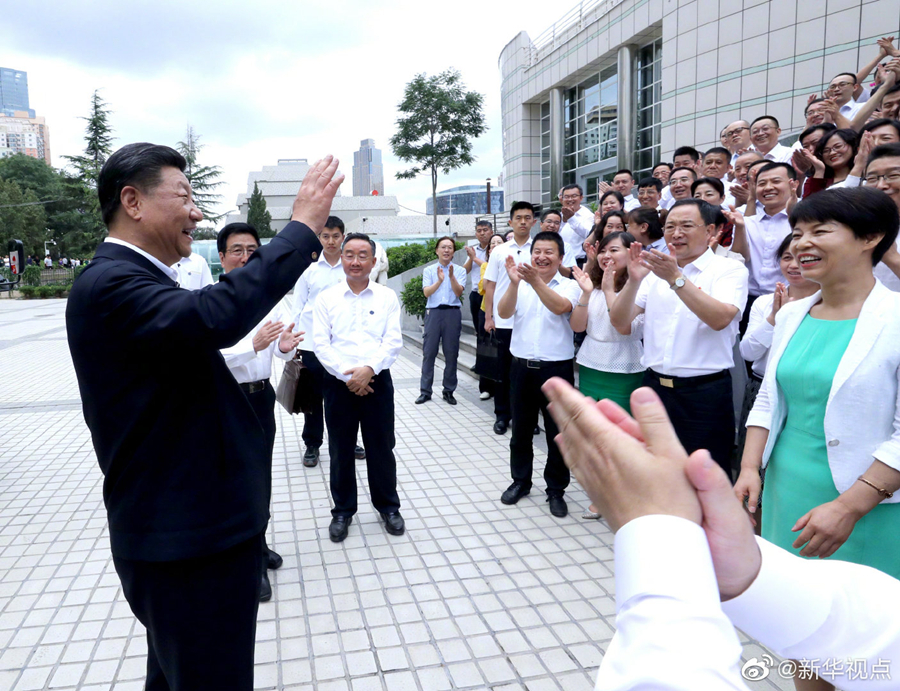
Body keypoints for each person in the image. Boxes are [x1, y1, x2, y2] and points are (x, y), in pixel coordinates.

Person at [66, 143, 339, 690]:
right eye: (183, 197)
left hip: (193, 533)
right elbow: (214, 315)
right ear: (132, 202)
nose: (196, 212)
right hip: (186, 543)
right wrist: (302, 229)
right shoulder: (109, 285)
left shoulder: (138, 279)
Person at [541, 377, 900, 691]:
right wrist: (748, 572)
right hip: (789, 482)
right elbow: (884, 639)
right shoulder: (794, 321)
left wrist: (659, 544)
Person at [736, 187, 900, 691]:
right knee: (805, 631)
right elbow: (769, 398)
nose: (802, 243)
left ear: (871, 238)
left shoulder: (896, 318)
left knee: (865, 638)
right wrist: (749, 468)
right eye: (798, 232)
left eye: (820, 231)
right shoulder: (791, 313)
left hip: (869, 506)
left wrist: (849, 507)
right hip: (790, 493)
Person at [609, 198, 749, 476]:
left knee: (705, 477)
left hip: (704, 393)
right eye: (670, 226)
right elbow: (621, 323)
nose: (676, 233)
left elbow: (720, 318)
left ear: (710, 231)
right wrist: (634, 280)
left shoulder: (729, 269)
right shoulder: (653, 274)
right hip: (655, 388)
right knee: (654, 472)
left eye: (686, 225)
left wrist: (676, 278)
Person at [217, 221, 301, 603]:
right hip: (226, 399)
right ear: (222, 257)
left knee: (260, 475)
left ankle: (259, 544)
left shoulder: (270, 299)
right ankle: (248, 562)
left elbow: (280, 352)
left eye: (253, 250)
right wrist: (251, 345)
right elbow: (208, 356)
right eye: (237, 250)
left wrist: (283, 346)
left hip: (261, 396)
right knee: (236, 480)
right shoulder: (210, 300)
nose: (246, 257)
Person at [313, 232, 404, 543]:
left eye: (362, 255)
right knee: (340, 450)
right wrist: (349, 377)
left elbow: (393, 341)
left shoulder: (387, 297)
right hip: (339, 384)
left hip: (378, 382)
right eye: (349, 254)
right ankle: (342, 511)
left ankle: (388, 507)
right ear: (341, 258)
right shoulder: (326, 298)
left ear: (373, 261)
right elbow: (321, 344)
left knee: (381, 447)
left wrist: (369, 370)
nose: (355, 261)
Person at [496, 231, 581, 518]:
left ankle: (556, 489)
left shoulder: (570, 286)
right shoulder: (520, 284)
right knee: (520, 430)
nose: (542, 257)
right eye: (537, 252)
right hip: (521, 367)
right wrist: (513, 283)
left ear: (560, 257)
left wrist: (535, 282)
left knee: (558, 434)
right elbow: (503, 313)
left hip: (556, 370)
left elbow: (560, 308)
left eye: (549, 252)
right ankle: (520, 481)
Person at [570, 231, 644, 520]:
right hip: (591, 363)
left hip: (624, 367)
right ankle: (602, 492)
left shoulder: (639, 288)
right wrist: (586, 294)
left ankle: (622, 494)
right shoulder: (593, 286)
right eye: (603, 250)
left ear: (631, 254)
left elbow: (623, 327)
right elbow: (578, 327)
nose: (606, 256)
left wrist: (611, 289)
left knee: (621, 435)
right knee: (594, 432)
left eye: (614, 250)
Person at [737, 235, 818, 463]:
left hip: (803, 392)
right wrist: (774, 317)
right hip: (759, 387)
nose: (793, 265)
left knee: (792, 460)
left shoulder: (828, 305)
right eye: (787, 257)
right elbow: (748, 353)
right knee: (753, 460)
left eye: (802, 258)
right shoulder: (764, 302)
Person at [292, 215, 347, 468]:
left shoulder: (350, 267)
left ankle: (346, 441)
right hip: (312, 344)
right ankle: (312, 444)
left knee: (343, 396)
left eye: (335, 236)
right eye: (326, 236)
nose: (331, 241)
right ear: (319, 238)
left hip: (342, 345)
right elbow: (298, 305)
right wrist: (295, 340)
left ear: (343, 237)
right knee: (313, 398)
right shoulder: (308, 269)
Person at [483, 202, 537, 434]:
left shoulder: (539, 249)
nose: (523, 222)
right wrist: (489, 317)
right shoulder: (499, 251)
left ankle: (528, 419)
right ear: (511, 222)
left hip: (531, 320)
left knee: (528, 374)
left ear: (534, 221)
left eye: (527, 217)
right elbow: (490, 285)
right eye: (518, 218)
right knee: (503, 371)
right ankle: (502, 415)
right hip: (504, 321)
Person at [727, 162, 798, 312]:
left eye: (776, 181)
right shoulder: (746, 221)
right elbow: (739, 258)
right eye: (762, 183)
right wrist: (740, 228)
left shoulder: (804, 220)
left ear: (794, 184)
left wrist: (795, 218)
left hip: (790, 299)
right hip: (748, 300)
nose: (768, 187)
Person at [416, 236, 465, 406]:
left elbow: (458, 292)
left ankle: (448, 391)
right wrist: (440, 280)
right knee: (429, 352)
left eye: (450, 247)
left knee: (451, 353)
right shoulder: (429, 270)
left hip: (452, 313)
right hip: (434, 313)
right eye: (443, 247)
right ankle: (425, 391)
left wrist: (451, 277)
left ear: (453, 251)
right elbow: (427, 293)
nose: (446, 250)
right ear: (437, 250)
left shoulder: (459, 270)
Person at [465, 220, 495, 399]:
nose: (482, 233)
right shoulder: (473, 249)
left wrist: (475, 257)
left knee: (491, 337)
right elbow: (465, 270)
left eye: (485, 230)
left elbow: (489, 267)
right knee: (480, 335)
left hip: (495, 297)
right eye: (479, 230)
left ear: (491, 231)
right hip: (477, 295)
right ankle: (482, 368)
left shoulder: (496, 249)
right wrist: (471, 258)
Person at [866, 142, 900, 290]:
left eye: (893, 175)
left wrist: (892, 258)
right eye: (872, 178)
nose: (880, 185)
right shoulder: (858, 227)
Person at [802, 128, 861, 196]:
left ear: (853, 145)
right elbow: (810, 201)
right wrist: (819, 170)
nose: (832, 153)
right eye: (826, 151)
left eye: (838, 146)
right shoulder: (813, 180)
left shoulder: (866, 172)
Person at [557, 184, 595, 265]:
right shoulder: (559, 215)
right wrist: (563, 221)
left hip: (579, 261)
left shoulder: (588, 216)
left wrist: (571, 218)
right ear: (562, 199)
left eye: (574, 196)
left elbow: (588, 234)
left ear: (581, 197)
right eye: (566, 197)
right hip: (561, 261)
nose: (570, 199)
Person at [538, 208, 577, 278]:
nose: (552, 225)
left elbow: (568, 274)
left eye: (556, 223)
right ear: (541, 224)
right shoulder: (533, 244)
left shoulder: (565, 246)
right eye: (549, 222)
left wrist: (555, 262)